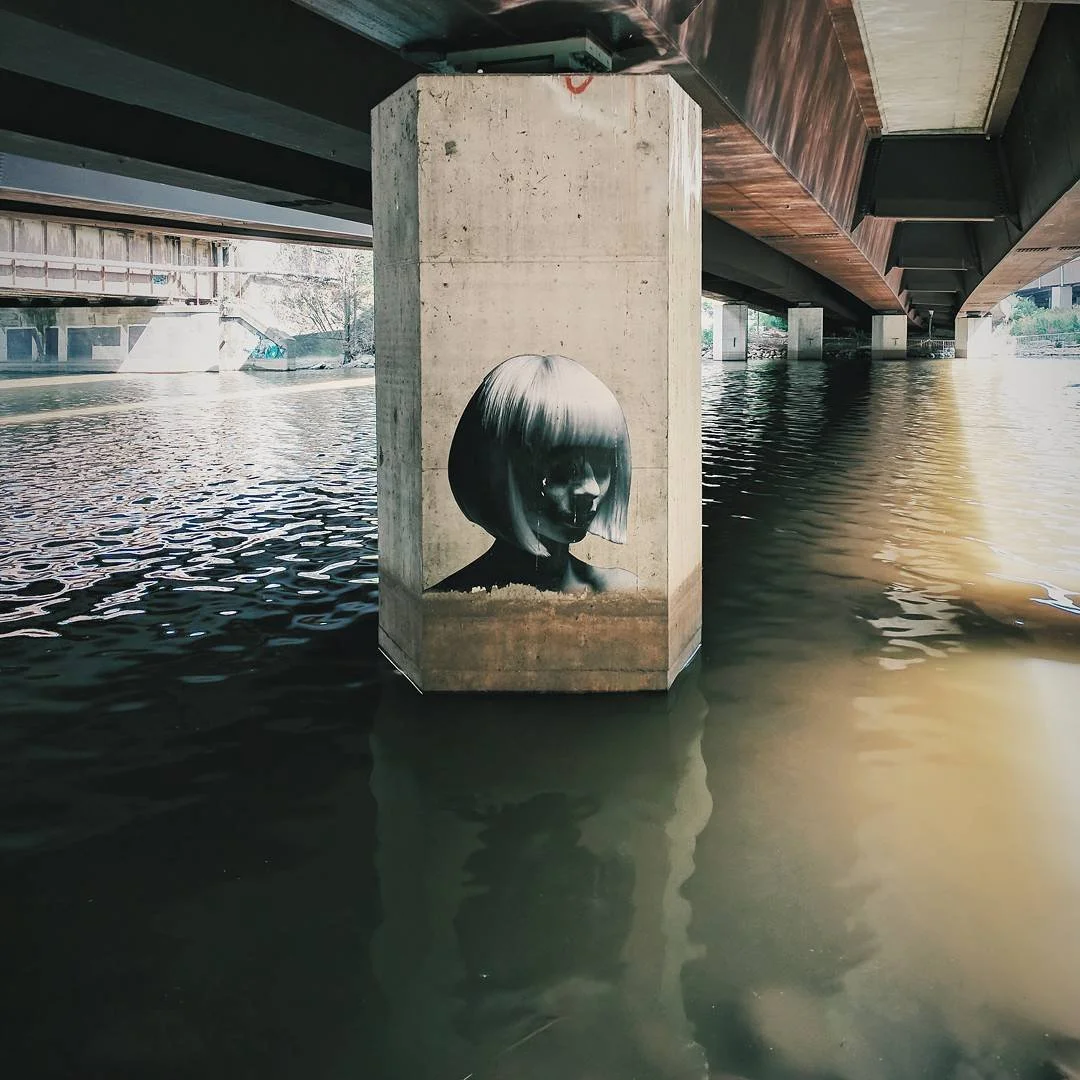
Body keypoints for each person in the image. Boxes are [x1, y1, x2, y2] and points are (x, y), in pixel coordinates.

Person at [430, 354, 638, 594]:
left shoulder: (623, 591)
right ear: (495, 468)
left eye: (602, 465)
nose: (591, 489)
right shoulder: (449, 606)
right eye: (563, 467)